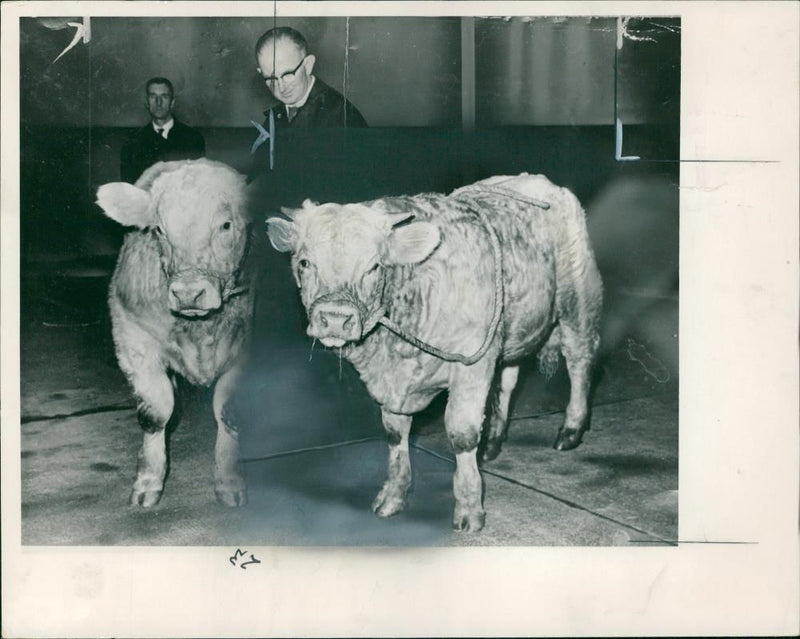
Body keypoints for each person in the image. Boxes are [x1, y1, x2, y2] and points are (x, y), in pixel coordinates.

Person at [248, 27, 367, 185]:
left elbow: (348, 189)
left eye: (288, 74)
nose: (281, 87)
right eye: (271, 78)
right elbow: (258, 176)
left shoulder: (339, 115)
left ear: (308, 65)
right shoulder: (275, 117)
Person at [120, 77, 205, 184]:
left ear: (172, 102)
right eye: (153, 96)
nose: (158, 102)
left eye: (164, 96)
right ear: (147, 102)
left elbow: (197, 185)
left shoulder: (193, 138)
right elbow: (129, 190)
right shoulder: (132, 143)